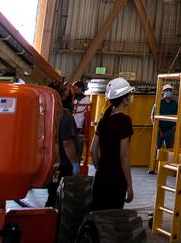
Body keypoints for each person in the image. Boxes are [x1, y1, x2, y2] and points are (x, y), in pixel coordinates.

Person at [90, 76, 134, 210]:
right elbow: (123, 156)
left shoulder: (104, 119)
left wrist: (100, 168)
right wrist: (129, 185)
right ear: (124, 98)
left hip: (100, 179)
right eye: (129, 94)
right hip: (116, 180)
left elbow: (93, 150)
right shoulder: (124, 121)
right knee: (112, 220)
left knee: (98, 216)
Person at [46, 80, 81, 208]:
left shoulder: (50, 113)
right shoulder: (64, 115)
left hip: (53, 161)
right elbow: (67, 142)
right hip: (64, 164)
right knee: (60, 197)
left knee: (53, 193)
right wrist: (75, 164)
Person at [152, 82, 178, 151]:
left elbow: (178, 116)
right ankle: (155, 162)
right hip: (159, 130)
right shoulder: (158, 103)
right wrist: (157, 128)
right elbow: (152, 116)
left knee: (170, 150)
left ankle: (168, 162)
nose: (168, 92)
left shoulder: (175, 104)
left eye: (170, 90)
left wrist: (174, 127)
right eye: (166, 90)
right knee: (157, 150)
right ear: (163, 92)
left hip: (170, 131)